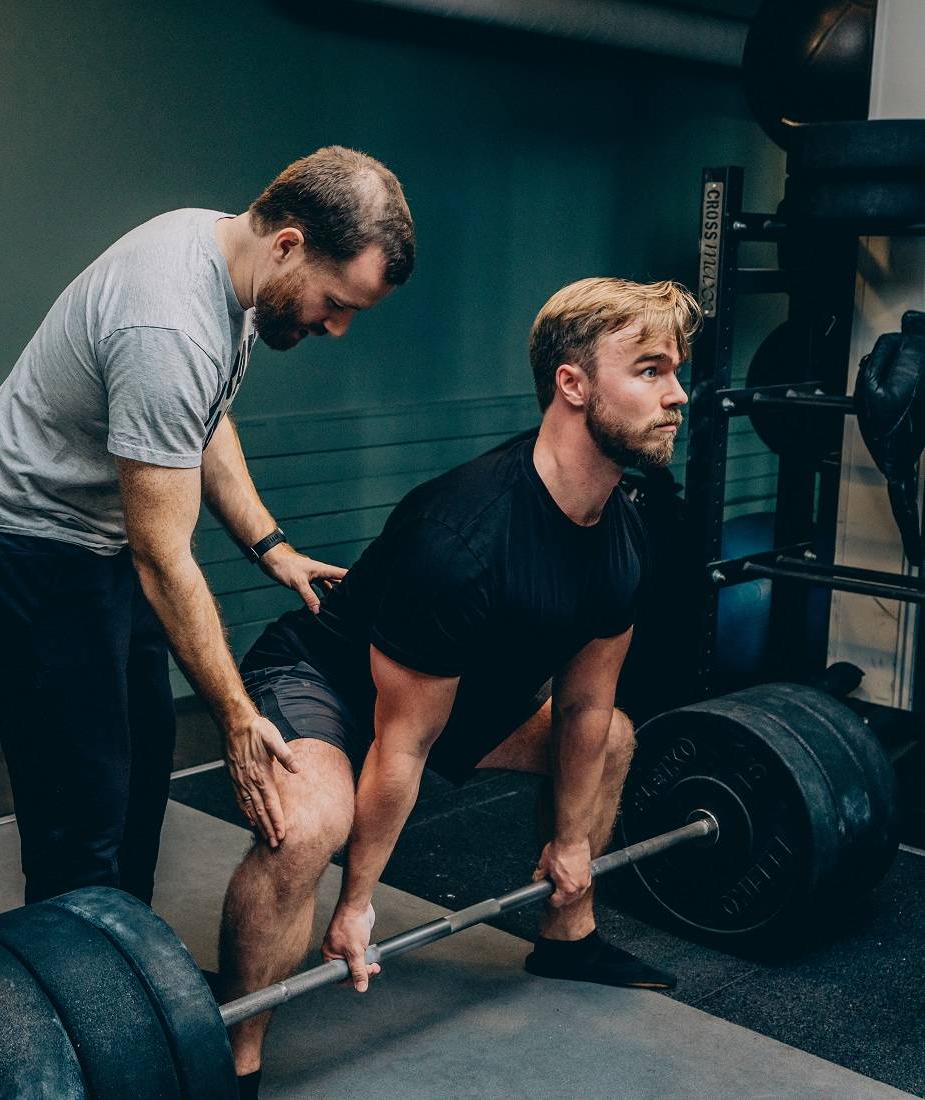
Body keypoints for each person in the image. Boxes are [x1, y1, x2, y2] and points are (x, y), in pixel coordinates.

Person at [217, 276, 701, 1096]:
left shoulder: (628, 526)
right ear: (573, 385)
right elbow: (400, 745)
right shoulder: (463, 534)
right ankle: (233, 1055)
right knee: (307, 828)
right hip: (324, 683)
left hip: (453, 697)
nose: (678, 394)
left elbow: (584, 703)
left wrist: (575, 839)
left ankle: (566, 934)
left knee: (612, 737)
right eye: (650, 370)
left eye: (676, 370)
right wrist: (357, 903)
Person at [0, 146, 415, 905]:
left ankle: (131, 968)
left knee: (143, 750)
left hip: (98, 535)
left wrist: (270, 545)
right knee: (82, 794)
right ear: (289, 243)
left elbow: (202, 414)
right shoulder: (170, 323)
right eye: (337, 302)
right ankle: (80, 999)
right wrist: (236, 717)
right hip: (25, 537)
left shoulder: (233, 260)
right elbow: (162, 560)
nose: (338, 327)